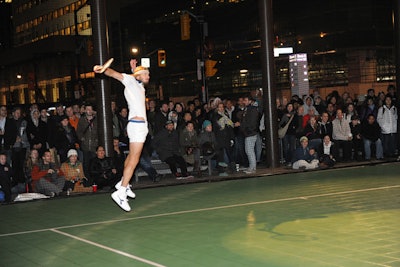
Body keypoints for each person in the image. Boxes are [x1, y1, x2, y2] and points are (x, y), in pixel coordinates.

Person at [93, 59, 149, 211]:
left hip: (141, 127)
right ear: (139, 75)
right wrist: (102, 70)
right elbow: (114, 74)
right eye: (146, 73)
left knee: (132, 157)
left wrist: (134, 69)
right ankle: (121, 192)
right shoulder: (130, 80)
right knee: (135, 160)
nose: (148, 76)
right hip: (136, 126)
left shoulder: (138, 84)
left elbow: (136, 78)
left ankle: (124, 183)